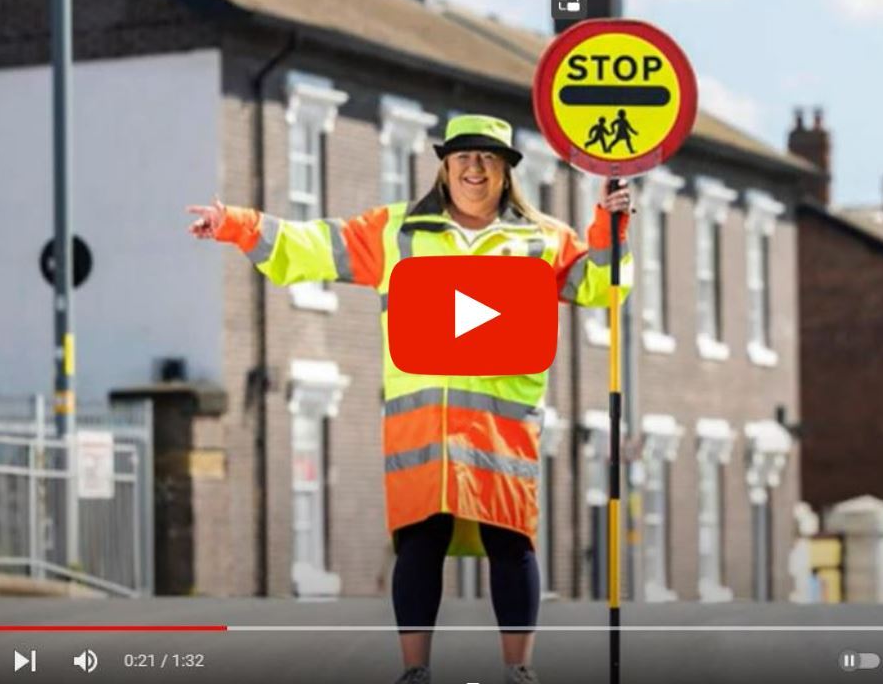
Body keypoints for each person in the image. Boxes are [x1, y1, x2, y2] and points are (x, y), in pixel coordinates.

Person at [185, 114, 633, 684]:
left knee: (510, 540)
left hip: (503, 428)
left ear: (506, 171)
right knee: (420, 541)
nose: (475, 167)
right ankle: (414, 674)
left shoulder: (541, 239)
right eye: (464, 156)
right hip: (420, 427)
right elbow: (316, 245)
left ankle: (519, 671)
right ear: (444, 165)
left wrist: (607, 224)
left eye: (489, 157)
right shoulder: (396, 231)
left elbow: (601, 284)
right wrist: (237, 225)